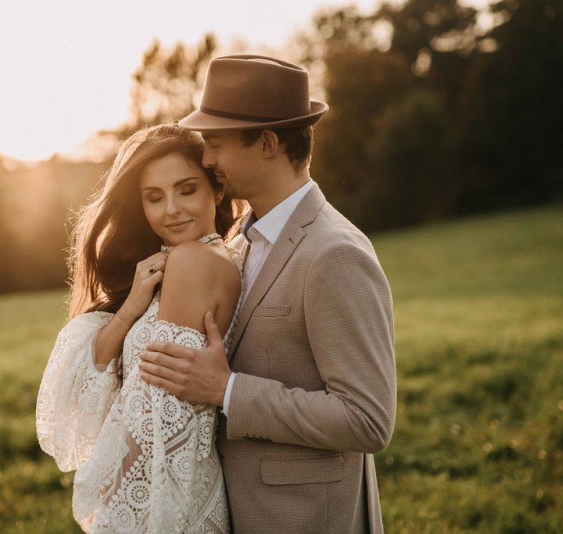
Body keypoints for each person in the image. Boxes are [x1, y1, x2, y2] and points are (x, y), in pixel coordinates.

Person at [139, 55, 397, 533]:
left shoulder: (333, 254)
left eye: (214, 143)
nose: (208, 158)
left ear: (267, 143)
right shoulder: (238, 239)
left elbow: (367, 420)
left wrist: (227, 390)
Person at [36, 124, 242, 533]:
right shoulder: (184, 261)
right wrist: (131, 307)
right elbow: (93, 367)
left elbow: (158, 414)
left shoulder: (192, 262)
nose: (171, 210)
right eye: (154, 197)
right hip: (173, 485)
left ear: (216, 191)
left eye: (186, 190)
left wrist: (114, 500)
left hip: (164, 494)